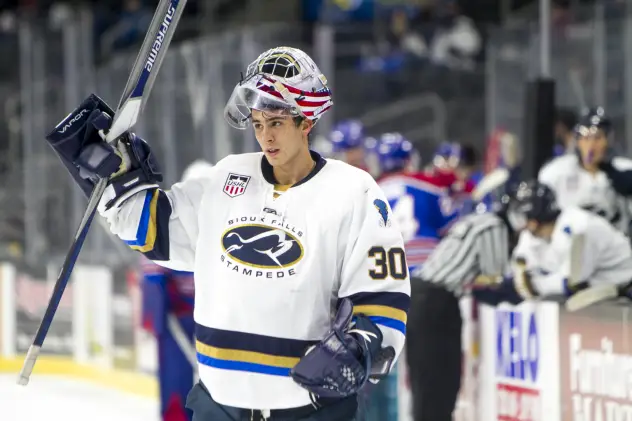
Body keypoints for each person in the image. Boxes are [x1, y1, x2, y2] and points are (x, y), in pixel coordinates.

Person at [45, 46, 410, 421]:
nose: (266, 136)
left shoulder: (353, 191)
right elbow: (153, 232)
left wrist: (361, 345)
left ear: (306, 122)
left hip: (308, 410)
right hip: (219, 406)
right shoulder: (226, 178)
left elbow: (384, 297)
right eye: (258, 124)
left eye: (277, 123)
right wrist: (119, 179)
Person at [406, 186, 517, 421]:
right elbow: (495, 280)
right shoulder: (492, 224)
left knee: (425, 385)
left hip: (419, 295)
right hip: (435, 302)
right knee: (441, 384)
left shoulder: (471, 221)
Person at [472, 180, 632, 307]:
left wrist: (533, 284)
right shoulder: (532, 235)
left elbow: (571, 285)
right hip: (606, 291)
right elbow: (520, 271)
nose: (520, 224)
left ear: (533, 218)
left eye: (520, 216)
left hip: (627, 286)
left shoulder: (579, 228)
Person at [141, 160, 214, 421]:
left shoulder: (227, 227)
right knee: (176, 381)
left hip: (214, 324)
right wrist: (159, 318)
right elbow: (152, 278)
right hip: (178, 324)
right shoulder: (169, 226)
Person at [538, 107, 632, 230]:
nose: (592, 145)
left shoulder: (624, 169)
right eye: (587, 138)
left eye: (598, 137)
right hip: (571, 244)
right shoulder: (556, 172)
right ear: (578, 141)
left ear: (608, 140)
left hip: (614, 244)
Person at [376, 133, 457, 272]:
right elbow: (451, 227)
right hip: (428, 265)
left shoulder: (369, 193)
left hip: (387, 268)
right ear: (408, 160)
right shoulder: (429, 187)